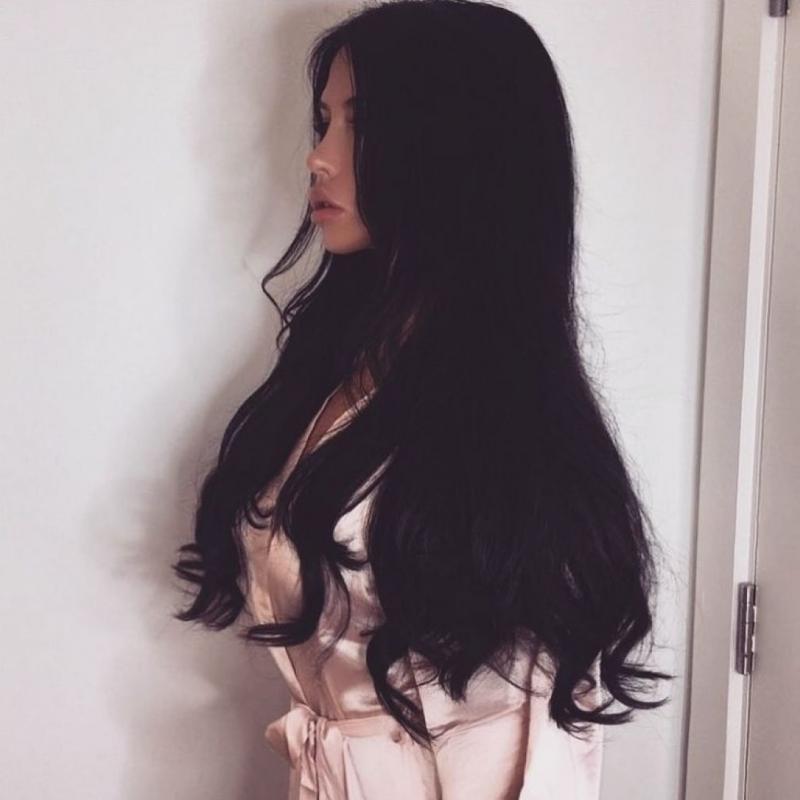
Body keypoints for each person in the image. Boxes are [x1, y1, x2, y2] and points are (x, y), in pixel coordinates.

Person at [173, 1, 674, 797]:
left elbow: (524, 755)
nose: (318, 158)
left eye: (359, 125)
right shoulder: (341, 370)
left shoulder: (506, 437)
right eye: (324, 122)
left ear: (457, 153)